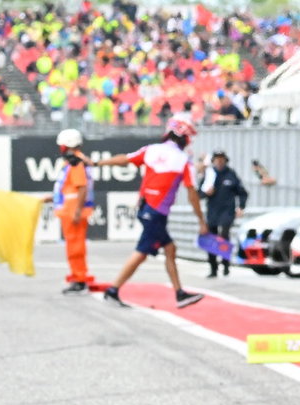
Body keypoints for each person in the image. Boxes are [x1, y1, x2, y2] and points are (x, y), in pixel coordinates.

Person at [84, 116, 209, 309]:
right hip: (156, 212)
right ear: (183, 137)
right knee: (142, 252)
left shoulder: (151, 150)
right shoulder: (184, 161)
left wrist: (97, 163)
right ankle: (114, 289)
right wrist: (201, 221)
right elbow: (192, 195)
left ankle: (179, 293)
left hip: (146, 208)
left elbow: (124, 159)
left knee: (169, 249)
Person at [42, 129, 95, 294]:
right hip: (71, 209)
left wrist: (77, 211)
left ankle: (79, 280)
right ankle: (77, 277)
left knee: (75, 247)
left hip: (74, 211)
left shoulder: (75, 162)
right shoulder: (75, 161)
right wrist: (51, 198)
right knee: (73, 246)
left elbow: (82, 188)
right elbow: (70, 188)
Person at [200, 150, 248, 278]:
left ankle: (225, 263)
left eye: (222, 159)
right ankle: (213, 267)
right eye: (217, 159)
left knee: (224, 235)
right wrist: (206, 193)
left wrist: (241, 207)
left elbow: (242, 192)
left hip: (227, 211)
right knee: (212, 238)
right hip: (212, 212)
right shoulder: (209, 175)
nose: (219, 161)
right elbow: (199, 193)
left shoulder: (231, 174)